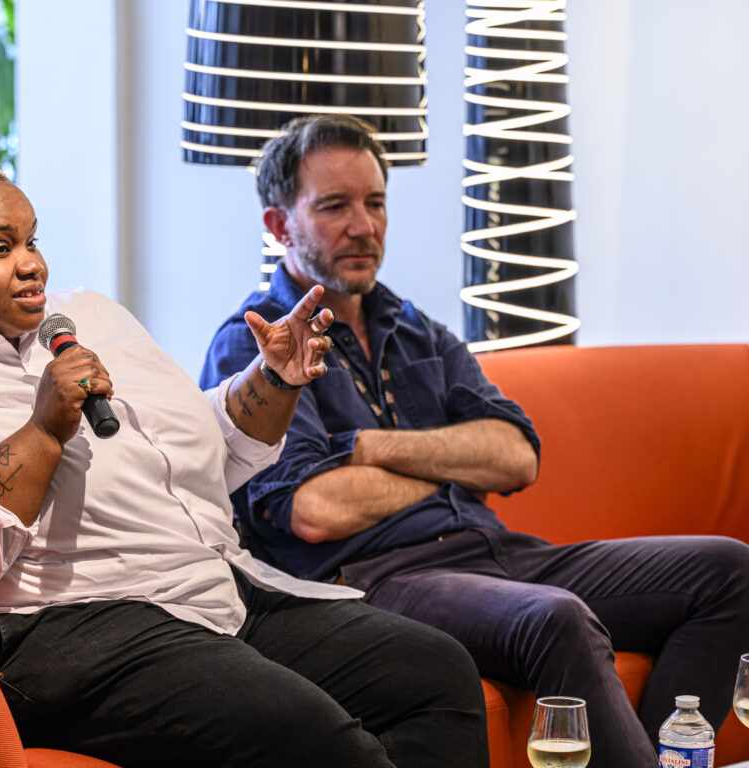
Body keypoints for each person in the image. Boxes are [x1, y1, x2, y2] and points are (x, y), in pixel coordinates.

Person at [0, 158, 490, 768]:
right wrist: (42, 432)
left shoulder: (86, 315)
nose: (32, 265)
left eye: (32, 241)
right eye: (0, 248)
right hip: (69, 630)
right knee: (312, 740)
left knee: (432, 672)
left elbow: (198, 454)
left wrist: (270, 381)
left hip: (211, 588)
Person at [200, 114, 749, 766]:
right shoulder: (257, 345)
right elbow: (316, 510)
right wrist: (457, 459)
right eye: (335, 206)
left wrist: (368, 448)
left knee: (729, 571)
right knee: (556, 618)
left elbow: (517, 457)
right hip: (377, 578)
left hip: (496, 550)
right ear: (279, 224)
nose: (364, 226)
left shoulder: (416, 329)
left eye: (376, 203)